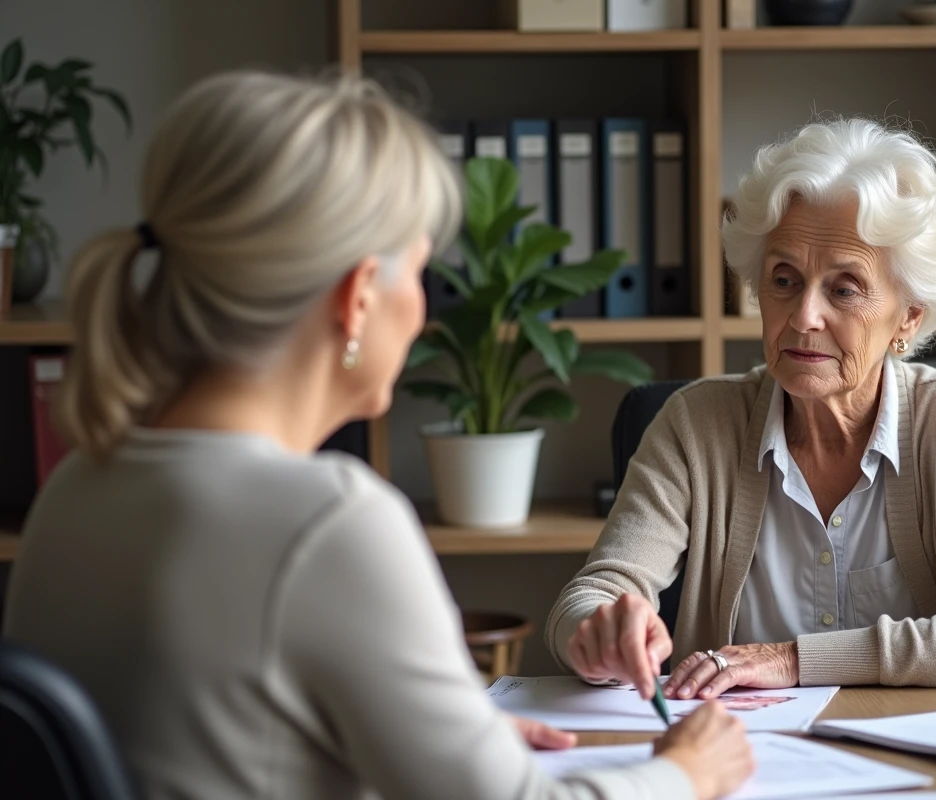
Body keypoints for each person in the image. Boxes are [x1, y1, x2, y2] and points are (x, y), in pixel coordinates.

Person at [1, 71, 754, 800]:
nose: (423, 310)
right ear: (358, 297)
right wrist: (685, 773)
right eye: (418, 274)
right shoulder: (327, 522)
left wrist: (443, 747)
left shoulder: (76, 488)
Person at [546, 119, 936, 703]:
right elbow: (591, 595)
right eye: (784, 280)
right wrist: (597, 632)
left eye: (844, 289)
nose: (803, 316)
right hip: (741, 765)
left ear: (909, 316)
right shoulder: (695, 425)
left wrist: (793, 659)